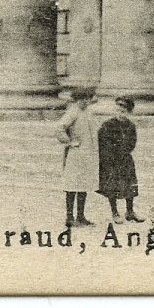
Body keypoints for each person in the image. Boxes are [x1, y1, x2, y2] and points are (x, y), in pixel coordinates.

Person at [55, 88, 100, 229]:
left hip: (88, 154)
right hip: (76, 154)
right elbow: (59, 127)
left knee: (84, 185)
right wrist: (69, 141)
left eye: (87, 99)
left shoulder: (89, 112)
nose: (85, 101)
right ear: (76, 100)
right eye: (82, 99)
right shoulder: (73, 112)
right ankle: (69, 217)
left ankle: (81, 216)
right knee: (72, 185)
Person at [96, 95, 142, 224]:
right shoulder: (108, 125)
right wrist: (111, 154)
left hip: (125, 158)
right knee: (112, 186)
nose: (120, 114)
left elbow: (132, 142)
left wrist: (124, 151)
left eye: (123, 112)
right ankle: (115, 212)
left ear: (129, 113)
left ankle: (130, 211)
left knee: (130, 184)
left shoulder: (130, 125)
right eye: (117, 111)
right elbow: (102, 142)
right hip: (111, 160)